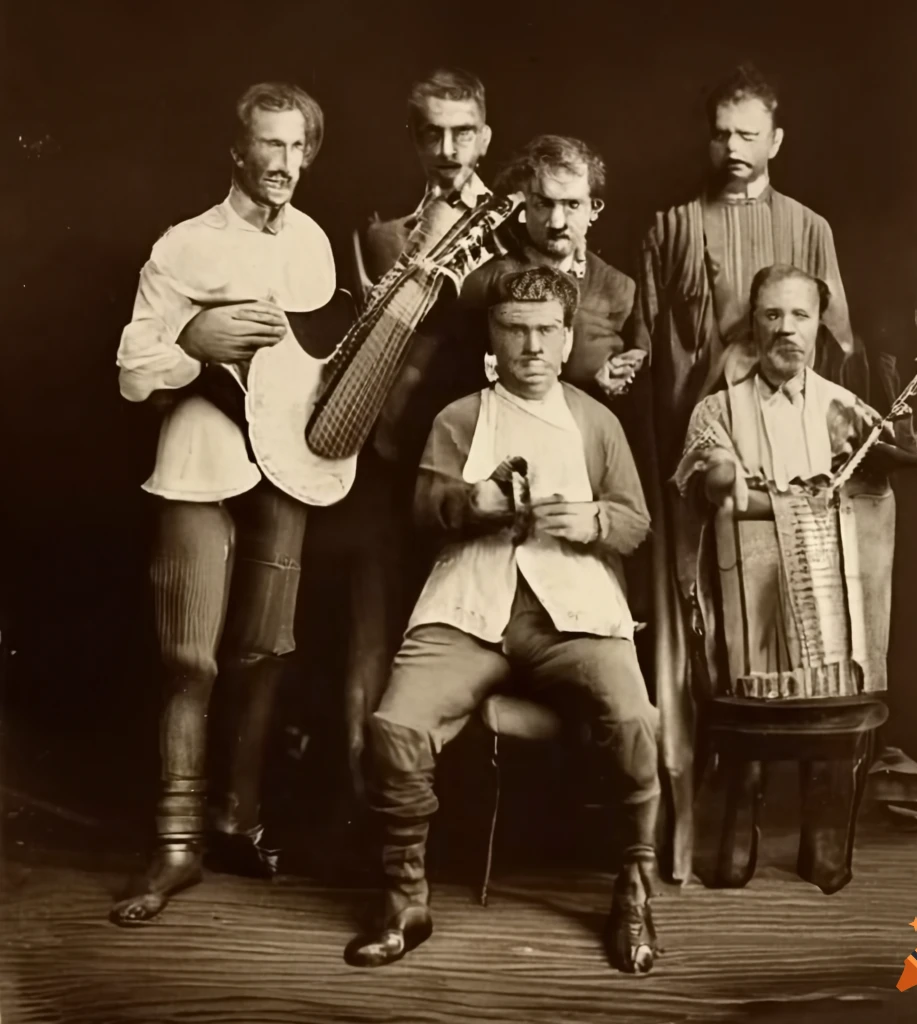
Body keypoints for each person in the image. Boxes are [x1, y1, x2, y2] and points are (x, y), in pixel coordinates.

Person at [632, 63, 917, 881]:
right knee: (732, 647)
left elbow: (840, 347)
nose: (732, 147)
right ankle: (727, 816)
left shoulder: (811, 232)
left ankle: (826, 819)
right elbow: (651, 348)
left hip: (808, 468)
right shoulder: (674, 228)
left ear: (776, 140)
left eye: (748, 132)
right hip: (719, 463)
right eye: (720, 132)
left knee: (826, 634)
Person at [345, 266, 661, 974]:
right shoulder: (459, 418)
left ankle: (634, 892)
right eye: (515, 329)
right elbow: (423, 512)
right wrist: (468, 505)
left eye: (547, 330)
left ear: (567, 335)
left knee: (637, 720)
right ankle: (404, 899)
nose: (531, 346)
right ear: (492, 334)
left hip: (572, 611)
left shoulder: (595, 421)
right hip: (470, 606)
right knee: (396, 727)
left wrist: (594, 519)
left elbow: (636, 524)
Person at [111, 82, 335, 924]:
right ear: (236, 151)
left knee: (265, 652)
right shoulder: (184, 245)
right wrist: (193, 348)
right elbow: (133, 373)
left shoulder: (314, 243)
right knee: (190, 661)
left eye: (295, 148)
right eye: (267, 146)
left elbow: (317, 366)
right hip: (200, 460)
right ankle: (174, 847)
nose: (282, 164)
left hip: (287, 469)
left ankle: (236, 817)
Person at [673, 263, 907, 892]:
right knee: (748, 721)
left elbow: (880, 482)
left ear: (818, 327)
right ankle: (736, 843)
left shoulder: (845, 409)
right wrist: (723, 475)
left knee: (833, 710)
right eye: (772, 315)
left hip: (827, 598)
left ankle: (824, 847)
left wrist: (881, 462)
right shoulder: (718, 407)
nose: (786, 329)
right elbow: (706, 473)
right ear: (753, 324)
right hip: (748, 598)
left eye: (800, 315)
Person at [313, 68, 497, 798]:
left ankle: (464, 813)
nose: (449, 148)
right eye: (433, 133)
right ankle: (371, 804)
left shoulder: (520, 228)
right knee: (371, 631)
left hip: (476, 470)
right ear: (415, 139)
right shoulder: (381, 233)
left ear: (486, 136)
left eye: (463, 132)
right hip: (386, 466)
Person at [460, 135, 646, 402]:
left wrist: (623, 371)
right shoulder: (486, 282)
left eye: (572, 205)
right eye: (544, 204)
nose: (557, 222)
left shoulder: (619, 289)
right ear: (525, 207)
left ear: (594, 209)